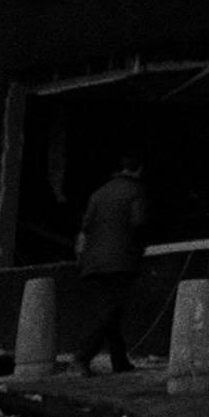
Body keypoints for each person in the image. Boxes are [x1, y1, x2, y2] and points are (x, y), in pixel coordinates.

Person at [72, 156, 148, 374]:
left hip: (93, 262)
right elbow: (139, 222)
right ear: (139, 169)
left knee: (110, 310)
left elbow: (85, 226)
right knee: (110, 311)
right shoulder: (135, 190)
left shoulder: (100, 193)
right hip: (120, 261)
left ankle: (120, 361)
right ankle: (82, 357)